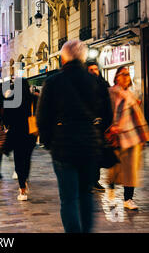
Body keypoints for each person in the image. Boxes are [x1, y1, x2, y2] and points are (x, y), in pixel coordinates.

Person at [36, 40, 113, 233]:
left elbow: (42, 117)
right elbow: (108, 115)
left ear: (63, 59)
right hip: (90, 145)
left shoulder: (53, 82)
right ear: (83, 58)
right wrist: (98, 134)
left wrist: (49, 142)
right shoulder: (96, 82)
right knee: (86, 194)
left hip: (63, 146)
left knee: (69, 198)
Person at [107, 66, 149, 210]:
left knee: (131, 170)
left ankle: (128, 199)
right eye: (124, 74)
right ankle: (111, 188)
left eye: (128, 74)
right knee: (114, 169)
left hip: (132, 137)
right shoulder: (111, 93)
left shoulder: (132, 95)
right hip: (116, 136)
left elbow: (138, 117)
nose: (127, 77)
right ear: (116, 77)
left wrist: (142, 136)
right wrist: (110, 128)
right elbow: (106, 112)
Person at [3, 77, 38, 201]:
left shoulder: (10, 99)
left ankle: (22, 187)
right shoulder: (33, 98)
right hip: (30, 134)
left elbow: (6, 119)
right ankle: (25, 180)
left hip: (16, 134)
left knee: (18, 160)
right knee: (27, 159)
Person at [86, 61, 110, 193]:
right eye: (91, 70)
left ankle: (95, 180)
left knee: (97, 155)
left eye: (96, 69)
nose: (94, 72)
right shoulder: (83, 86)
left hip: (101, 126)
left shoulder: (104, 85)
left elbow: (108, 104)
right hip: (87, 126)